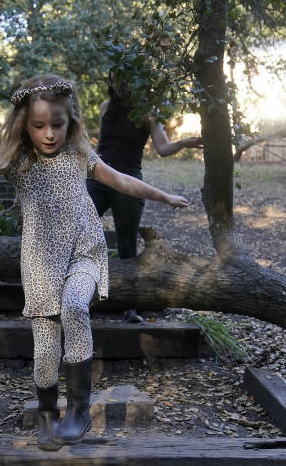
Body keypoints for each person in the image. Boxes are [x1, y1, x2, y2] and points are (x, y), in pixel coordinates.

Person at [0, 74, 188, 450]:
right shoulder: (19, 161)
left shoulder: (79, 155)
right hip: (42, 262)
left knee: (75, 307)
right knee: (45, 347)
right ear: (25, 126)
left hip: (84, 252)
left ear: (70, 122)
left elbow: (121, 181)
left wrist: (163, 196)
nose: (49, 134)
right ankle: (48, 414)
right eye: (39, 125)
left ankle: (79, 411)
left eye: (57, 125)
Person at [86, 73, 203, 323]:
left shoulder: (149, 112)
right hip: (99, 178)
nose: (120, 85)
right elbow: (101, 145)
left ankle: (130, 306)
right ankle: (80, 293)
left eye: (126, 80)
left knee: (127, 244)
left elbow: (162, 148)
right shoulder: (106, 108)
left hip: (130, 181)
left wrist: (182, 143)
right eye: (116, 81)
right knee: (79, 227)